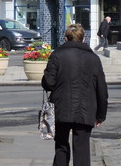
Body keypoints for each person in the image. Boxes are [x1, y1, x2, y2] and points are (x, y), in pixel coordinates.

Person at [42, 24, 108, 166]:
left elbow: (48, 83)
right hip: (86, 110)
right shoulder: (94, 59)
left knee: (61, 146)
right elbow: (102, 89)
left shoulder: (57, 55)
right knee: (82, 150)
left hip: (61, 109)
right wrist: (101, 115)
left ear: (65, 38)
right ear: (83, 39)